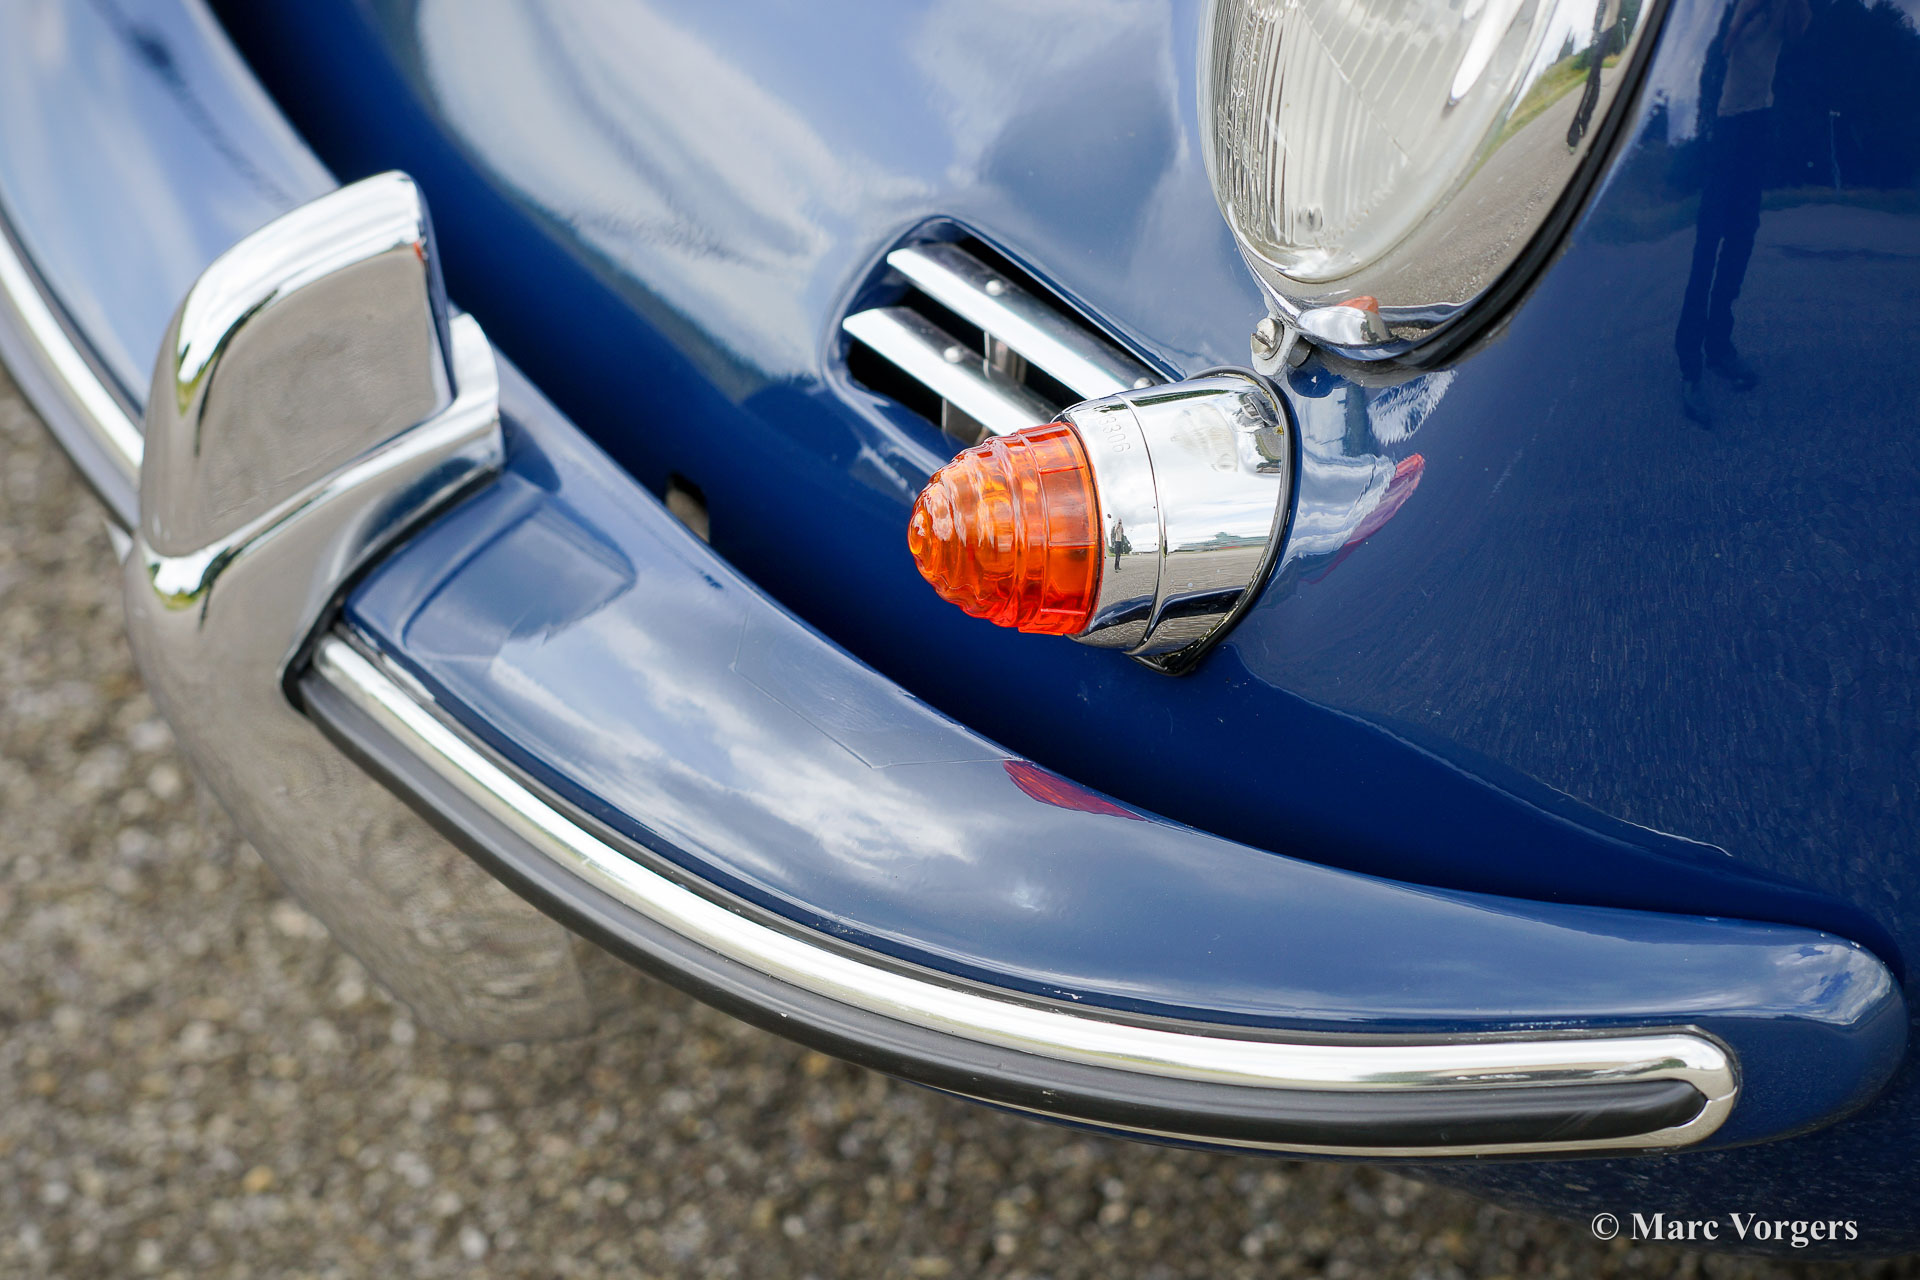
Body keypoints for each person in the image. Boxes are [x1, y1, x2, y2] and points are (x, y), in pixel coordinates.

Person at [1675, 0, 1811, 425]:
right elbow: (1719, 50)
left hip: (1758, 122)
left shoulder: (1783, 10)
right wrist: (1745, 14)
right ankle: (1690, 366)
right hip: (1726, 124)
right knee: (1707, 241)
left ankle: (1719, 346)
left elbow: (1799, 31)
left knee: (1742, 236)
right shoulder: (1737, 7)